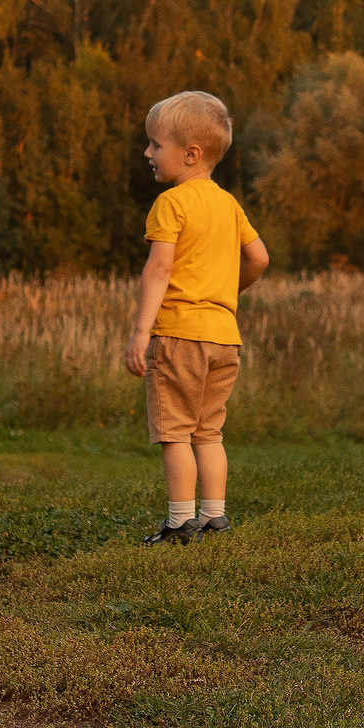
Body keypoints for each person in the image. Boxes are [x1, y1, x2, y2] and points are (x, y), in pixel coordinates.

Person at [122, 91, 270, 545]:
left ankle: (180, 522)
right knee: (210, 432)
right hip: (225, 338)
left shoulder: (172, 203)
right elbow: (260, 259)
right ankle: (214, 517)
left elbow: (159, 269)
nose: (147, 153)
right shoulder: (228, 204)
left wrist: (140, 331)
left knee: (174, 432)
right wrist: (226, 293)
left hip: (179, 336)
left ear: (191, 154)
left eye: (155, 144)